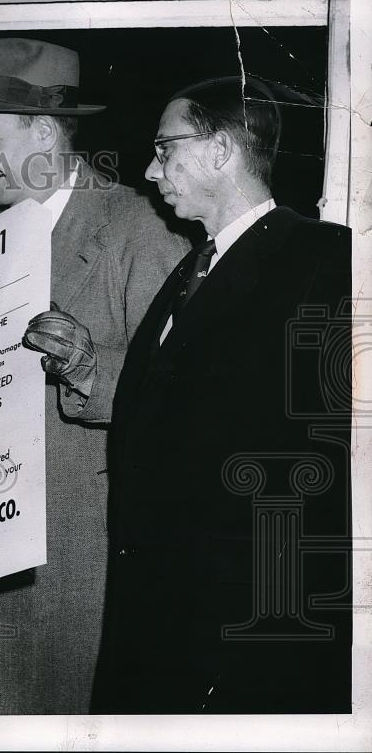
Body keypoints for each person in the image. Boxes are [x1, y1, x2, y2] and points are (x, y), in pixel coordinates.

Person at [0, 37, 189, 714]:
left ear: (44, 132)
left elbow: (177, 393)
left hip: (74, 557)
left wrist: (84, 364)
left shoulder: (138, 227)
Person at [93, 76, 352, 713]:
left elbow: (328, 461)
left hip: (246, 632)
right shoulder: (190, 269)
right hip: (161, 621)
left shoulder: (325, 259)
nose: (152, 171)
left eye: (165, 148)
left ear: (219, 151)